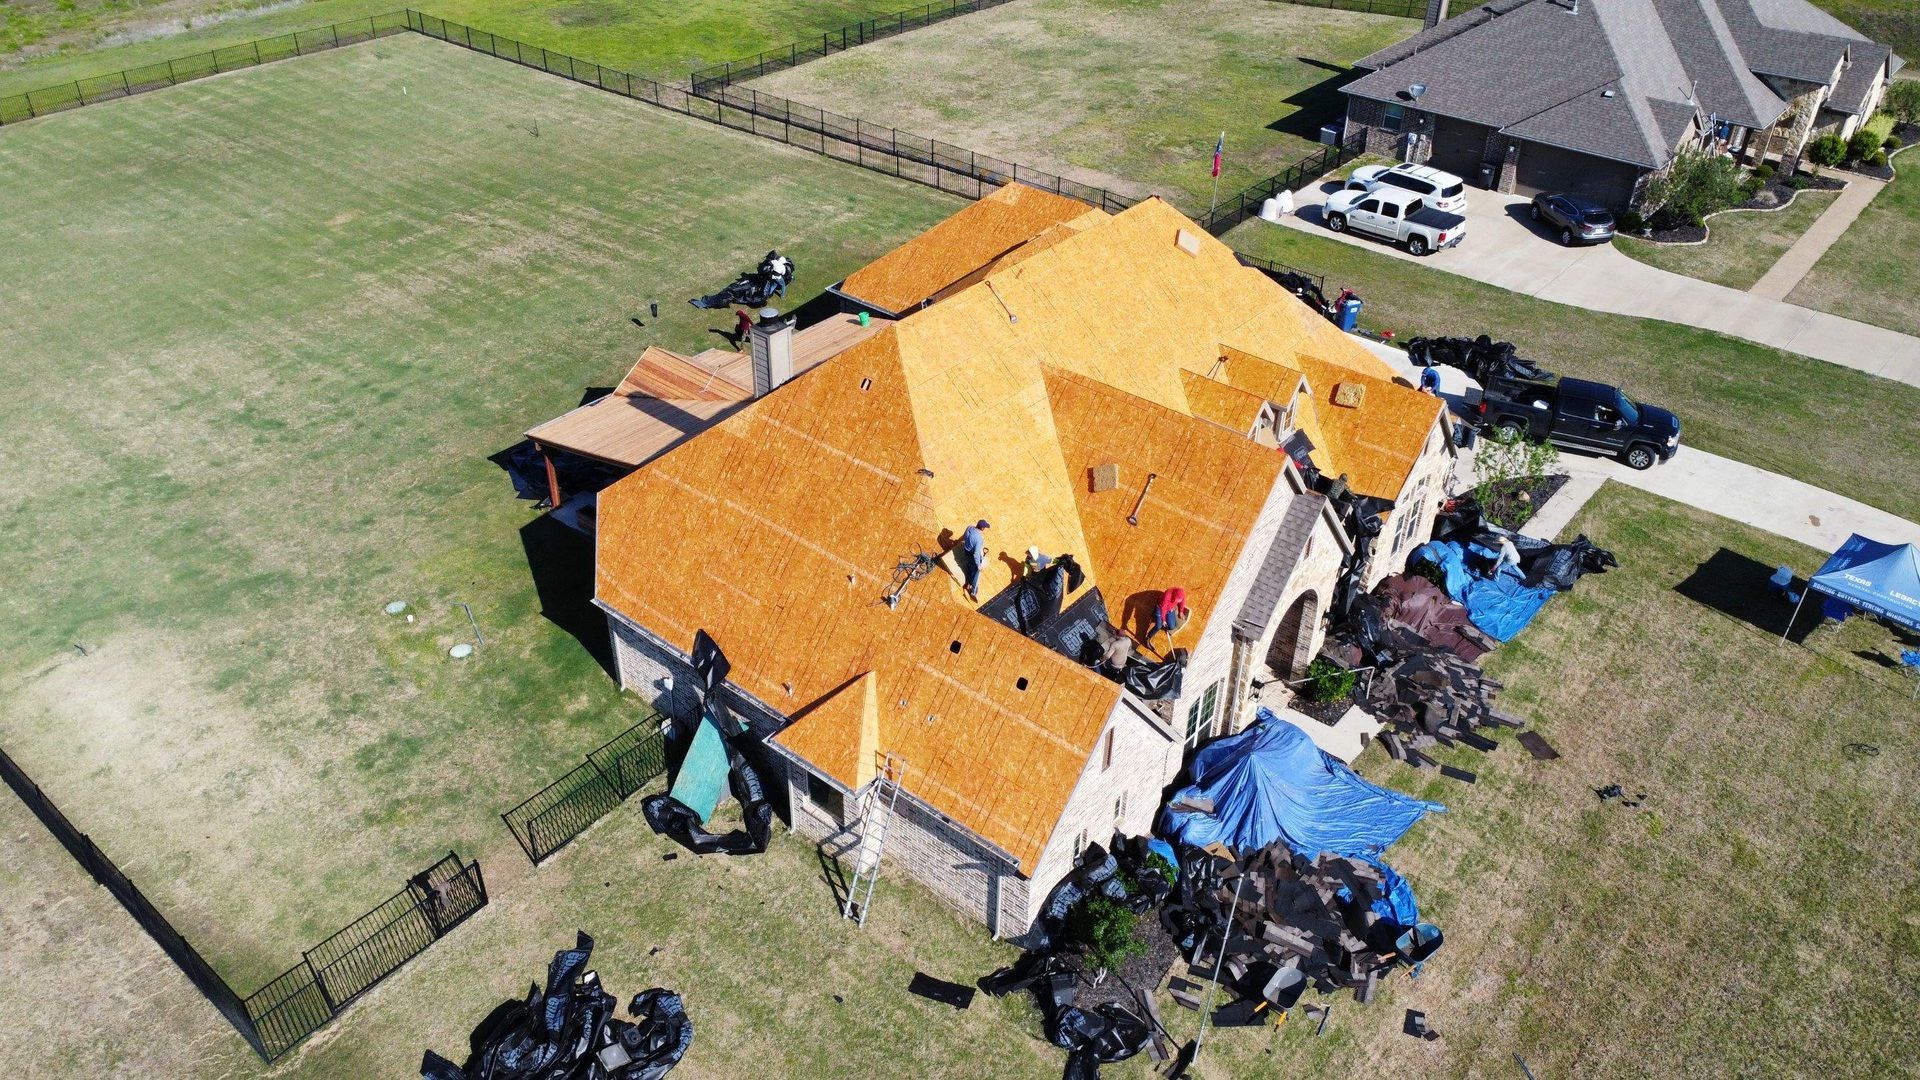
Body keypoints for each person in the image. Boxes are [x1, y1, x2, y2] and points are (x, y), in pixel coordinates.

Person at [960, 519, 991, 601]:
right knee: (976, 574)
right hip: (973, 556)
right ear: (982, 528)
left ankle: (968, 582)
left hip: (966, 551)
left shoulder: (969, 528)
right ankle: (973, 591)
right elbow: (976, 554)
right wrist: (979, 565)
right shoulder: (979, 538)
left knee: (969, 566)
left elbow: (963, 537)